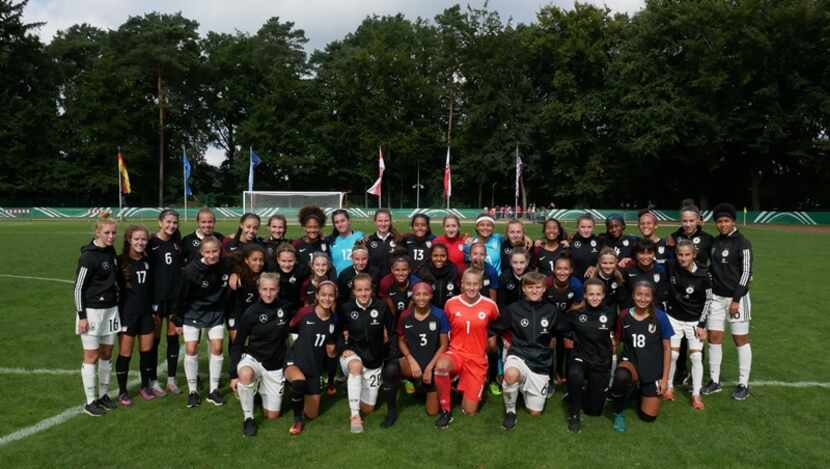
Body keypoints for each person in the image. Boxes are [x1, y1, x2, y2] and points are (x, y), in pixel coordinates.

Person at [491, 272, 559, 429]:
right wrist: (492, 339)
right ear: (523, 289)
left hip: (540, 363)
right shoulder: (513, 309)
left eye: (538, 287)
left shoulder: (551, 311)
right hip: (519, 356)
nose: (534, 291)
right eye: (530, 287)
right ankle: (510, 411)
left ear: (544, 289)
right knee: (511, 374)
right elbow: (495, 327)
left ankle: (521, 387)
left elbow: (564, 331)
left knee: (535, 412)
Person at [433, 269, 500, 429]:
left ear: (481, 284)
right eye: (468, 283)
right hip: (456, 354)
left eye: (475, 284)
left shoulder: (490, 305)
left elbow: (496, 327)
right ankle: (446, 411)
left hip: (477, 359)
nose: (471, 287)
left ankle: (461, 384)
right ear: (461, 284)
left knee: (469, 411)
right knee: (441, 367)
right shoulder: (450, 304)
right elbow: (445, 330)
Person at [701, 203, 753, 401]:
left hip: (737, 299)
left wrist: (736, 299)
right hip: (715, 298)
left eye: (726, 221)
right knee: (714, 337)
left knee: (740, 339)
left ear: (733, 222)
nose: (722, 225)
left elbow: (747, 272)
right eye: (719, 221)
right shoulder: (715, 242)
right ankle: (714, 381)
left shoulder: (743, 243)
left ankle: (743, 384)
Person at [230, 273, 293, 436]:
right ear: (259, 290)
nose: (268, 293)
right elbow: (237, 344)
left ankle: (257, 390)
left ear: (278, 289)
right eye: (264, 289)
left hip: (275, 364)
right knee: (245, 374)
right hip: (254, 359)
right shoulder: (251, 312)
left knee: (272, 416)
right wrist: (233, 375)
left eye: (272, 289)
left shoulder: (286, 308)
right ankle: (248, 418)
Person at [175, 235, 232, 408]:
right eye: (207, 252)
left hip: (215, 312)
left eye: (215, 251)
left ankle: (213, 391)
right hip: (193, 312)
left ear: (220, 251)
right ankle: (193, 391)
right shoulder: (190, 271)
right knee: (191, 349)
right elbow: (181, 296)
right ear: (201, 252)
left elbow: (238, 261)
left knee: (217, 347)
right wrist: (177, 320)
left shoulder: (226, 264)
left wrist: (235, 274)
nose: (212, 255)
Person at [383, 282, 450, 427]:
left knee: (432, 412)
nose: (421, 298)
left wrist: (429, 368)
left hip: (431, 363)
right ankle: (391, 412)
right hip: (413, 361)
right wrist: (411, 360)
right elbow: (401, 341)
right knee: (390, 369)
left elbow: (444, 344)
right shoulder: (405, 315)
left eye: (425, 294)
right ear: (412, 296)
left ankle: (425, 388)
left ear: (431, 296)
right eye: (418, 294)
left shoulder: (440, 314)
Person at [610, 281, 674, 432]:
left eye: (647, 295)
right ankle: (618, 412)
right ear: (633, 295)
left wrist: (665, 380)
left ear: (652, 298)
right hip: (631, 363)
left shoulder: (660, 317)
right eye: (639, 294)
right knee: (620, 376)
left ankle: (638, 392)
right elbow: (617, 342)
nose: (642, 298)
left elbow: (667, 349)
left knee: (648, 418)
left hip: (652, 369)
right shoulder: (624, 315)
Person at [74, 215, 120, 416]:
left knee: (107, 354)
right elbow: (78, 289)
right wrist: (82, 316)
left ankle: (103, 395)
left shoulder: (111, 252)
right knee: (91, 356)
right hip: (91, 312)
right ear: (97, 232)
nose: (111, 236)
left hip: (111, 311)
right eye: (107, 233)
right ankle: (90, 401)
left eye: (113, 233)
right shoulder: (88, 257)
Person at [557, 278, 617, 432]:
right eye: (591, 294)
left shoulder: (610, 312)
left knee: (594, 411)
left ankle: (578, 392)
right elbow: (560, 329)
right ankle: (574, 414)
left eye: (598, 294)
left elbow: (617, 336)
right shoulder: (575, 313)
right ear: (584, 295)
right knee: (575, 373)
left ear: (603, 295)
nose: (595, 297)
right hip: (581, 356)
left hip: (601, 360)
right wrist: (569, 338)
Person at [338, 274, 394, 433]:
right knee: (355, 365)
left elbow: (392, 333)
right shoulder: (346, 308)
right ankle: (354, 416)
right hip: (353, 355)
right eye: (359, 290)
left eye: (367, 289)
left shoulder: (381, 307)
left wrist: (390, 355)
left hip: (374, 360)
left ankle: (353, 385)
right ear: (354, 291)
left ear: (372, 290)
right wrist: (343, 348)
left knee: (368, 409)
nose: (363, 293)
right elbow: (336, 333)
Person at [284, 281, 339, 435]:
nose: (326, 299)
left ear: (335, 297)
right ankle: (297, 420)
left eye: (330, 295)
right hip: (295, 362)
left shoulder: (334, 320)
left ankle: (296, 390)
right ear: (316, 295)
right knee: (299, 382)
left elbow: (330, 350)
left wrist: (331, 380)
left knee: (313, 414)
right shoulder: (305, 312)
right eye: (323, 295)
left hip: (314, 370)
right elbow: (289, 328)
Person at [665, 240, 712, 409]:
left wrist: (702, 323)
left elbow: (708, 300)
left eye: (687, 255)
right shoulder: (671, 266)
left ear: (694, 255)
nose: (683, 258)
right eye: (680, 254)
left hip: (694, 320)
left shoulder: (703, 274)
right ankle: (669, 387)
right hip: (674, 318)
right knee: (674, 355)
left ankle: (696, 394)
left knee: (696, 356)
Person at [115, 225, 156, 405]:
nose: (140, 242)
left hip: (146, 314)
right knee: (125, 354)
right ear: (129, 240)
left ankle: (144, 386)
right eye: (137, 239)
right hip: (127, 315)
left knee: (146, 352)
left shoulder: (148, 261)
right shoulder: (120, 261)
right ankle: (123, 391)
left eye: (144, 239)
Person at [147, 209, 183, 396]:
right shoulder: (150, 243)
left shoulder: (178, 243)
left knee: (173, 338)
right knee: (154, 340)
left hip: (174, 300)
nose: (171, 225)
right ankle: (152, 380)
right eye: (168, 222)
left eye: (174, 222)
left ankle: (171, 379)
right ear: (160, 222)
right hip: (156, 300)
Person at [227, 245, 266, 391]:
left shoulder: (264, 275)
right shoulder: (239, 275)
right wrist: (235, 272)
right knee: (237, 344)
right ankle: (235, 376)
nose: (258, 263)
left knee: (254, 345)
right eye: (254, 260)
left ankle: (254, 375)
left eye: (261, 260)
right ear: (246, 261)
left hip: (255, 317)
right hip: (238, 315)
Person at [545, 254, 585, 388]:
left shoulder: (576, 285)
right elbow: (541, 305)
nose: (562, 272)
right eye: (559, 268)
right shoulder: (547, 283)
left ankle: (562, 373)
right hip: (549, 319)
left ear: (571, 270)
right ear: (554, 269)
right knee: (550, 345)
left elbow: (581, 304)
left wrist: (572, 310)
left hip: (566, 318)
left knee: (566, 345)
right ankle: (549, 377)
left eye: (566, 269)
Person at [416, 243, 460, 309]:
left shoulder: (453, 270)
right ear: (430, 256)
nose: (439, 259)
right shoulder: (423, 270)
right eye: (435, 256)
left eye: (443, 256)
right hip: (428, 310)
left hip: (449, 309)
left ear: (447, 256)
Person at [328, 209, 365, 275]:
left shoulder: (360, 237)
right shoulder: (331, 241)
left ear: (349, 221)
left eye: (342, 221)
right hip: (339, 281)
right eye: (337, 222)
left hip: (358, 280)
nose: (340, 224)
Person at [590, 248, 627, 313]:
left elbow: (622, 301)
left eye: (611, 263)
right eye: (604, 263)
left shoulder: (619, 278)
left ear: (616, 262)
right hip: (594, 313)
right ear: (599, 262)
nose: (608, 266)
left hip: (612, 315)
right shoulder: (592, 278)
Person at [274, 243, 308, 312]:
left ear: (295, 259)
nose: (287, 265)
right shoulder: (272, 272)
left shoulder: (301, 271)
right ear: (278, 260)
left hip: (297, 309)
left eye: (290, 261)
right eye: (283, 261)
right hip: (278, 310)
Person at [365, 208, 399, 277]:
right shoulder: (369, 241)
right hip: (374, 283)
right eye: (380, 221)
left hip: (393, 282)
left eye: (386, 221)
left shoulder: (398, 240)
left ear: (390, 222)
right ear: (375, 222)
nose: (383, 224)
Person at [570, 213, 601, 279]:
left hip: (594, 281)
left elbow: (604, 260)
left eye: (589, 227)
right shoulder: (570, 241)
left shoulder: (599, 241)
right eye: (582, 227)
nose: (586, 230)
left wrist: (596, 267)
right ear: (577, 227)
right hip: (576, 281)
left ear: (593, 227)